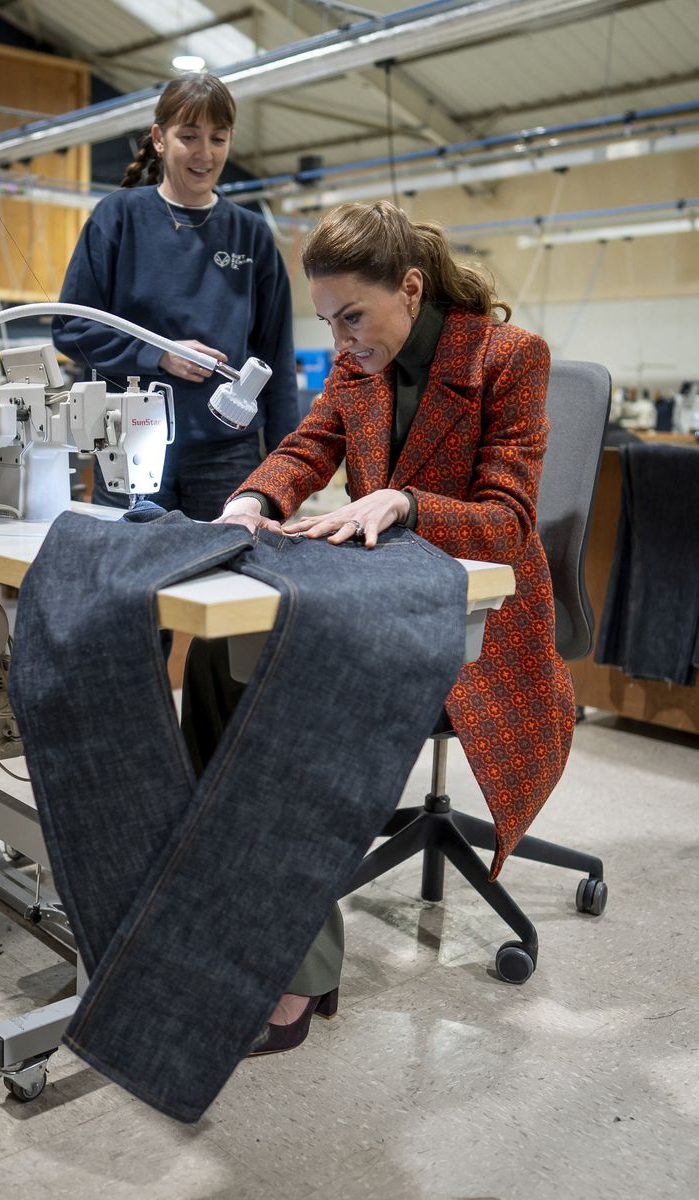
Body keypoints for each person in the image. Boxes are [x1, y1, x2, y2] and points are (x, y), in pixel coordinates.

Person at [181, 200, 575, 1053]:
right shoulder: (361, 362)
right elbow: (306, 446)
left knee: (288, 691)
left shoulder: (510, 359)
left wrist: (401, 501)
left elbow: (508, 522)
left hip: (480, 619)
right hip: (387, 596)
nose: (342, 338)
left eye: (352, 316)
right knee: (219, 660)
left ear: (409, 286)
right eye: (327, 321)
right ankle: (236, 910)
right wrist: (253, 500)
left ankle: (297, 972)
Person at [52, 74, 298, 520]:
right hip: (131, 444)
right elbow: (70, 327)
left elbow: (275, 356)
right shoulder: (118, 217)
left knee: (228, 577)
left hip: (228, 453)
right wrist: (158, 356)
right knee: (127, 575)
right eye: (188, 136)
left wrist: (287, 469)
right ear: (159, 139)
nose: (205, 153)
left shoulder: (251, 234)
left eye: (217, 138)